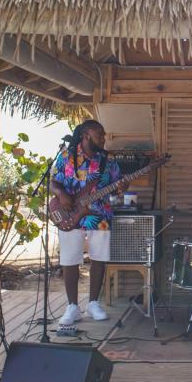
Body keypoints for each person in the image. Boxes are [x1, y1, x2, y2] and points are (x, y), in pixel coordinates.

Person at [49, 120, 125, 326]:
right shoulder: (65, 157)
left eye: (104, 134)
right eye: (99, 134)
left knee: (99, 259)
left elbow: (117, 200)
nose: (103, 137)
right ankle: (72, 306)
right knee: (69, 260)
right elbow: (53, 182)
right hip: (69, 214)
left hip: (99, 216)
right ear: (85, 134)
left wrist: (120, 191)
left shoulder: (109, 162)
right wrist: (61, 193)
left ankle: (93, 304)